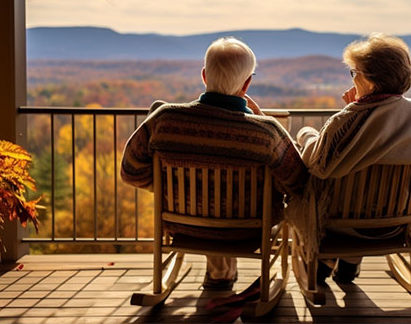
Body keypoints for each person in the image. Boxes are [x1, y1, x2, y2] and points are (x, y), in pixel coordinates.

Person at [121, 37, 308, 290]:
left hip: (183, 226)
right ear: (247, 83)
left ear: (204, 76)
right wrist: (262, 118)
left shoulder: (164, 120)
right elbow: (299, 182)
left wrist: (169, 188)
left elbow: (130, 172)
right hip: (248, 231)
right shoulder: (266, 133)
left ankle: (219, 275)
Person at [293, 33, 411, 283]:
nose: (353, 78)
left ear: (371, 81)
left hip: (340, 224)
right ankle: (350, 263)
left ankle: (327, 260)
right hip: (395, 223)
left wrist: (307, 135)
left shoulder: (346, 121)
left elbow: (317, 165)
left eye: (355, 73)